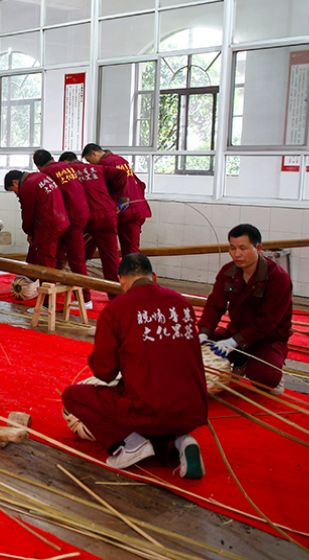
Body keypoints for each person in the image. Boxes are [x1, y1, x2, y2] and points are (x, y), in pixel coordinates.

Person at [62, 254, 208, 477]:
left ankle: (129, 444)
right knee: (161, 400)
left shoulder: (116, 310)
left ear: (121, 280)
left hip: (150, 410)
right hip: (193, 409)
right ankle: (181, 441)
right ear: (154, 277)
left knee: (74, 396)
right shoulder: (182, 303)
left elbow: (104, 371)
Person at [199, 224, 291, 393]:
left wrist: (234, 342)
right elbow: (214, 305)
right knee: (191, 346)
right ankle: (240, 361)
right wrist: (204, 332)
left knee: (266, 378)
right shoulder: (228, 271)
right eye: (232, 248)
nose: (237, 254)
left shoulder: (278, 278)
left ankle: (264, 366)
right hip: (235, 333)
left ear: (258, 248)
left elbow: (267, 322)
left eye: (243, 248)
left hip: (267, 338)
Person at [34, 149, 91, 304]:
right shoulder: (67, 167)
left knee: (74, 259)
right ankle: (55, 293)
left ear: (38, 167)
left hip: (69, 218)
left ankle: (84, 299)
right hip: (82, 213)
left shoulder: (46, 174)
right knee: (62, 257)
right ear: (52, 158)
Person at [58, 151, 120, 288]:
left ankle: (82, 293)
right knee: (111, 260)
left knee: (76, 256)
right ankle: (116, 294)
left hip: (87, 219)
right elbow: (121, 174)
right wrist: (118, 199)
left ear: (65, 163)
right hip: (108, 216)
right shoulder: (96, 168)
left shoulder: (68, 172)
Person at [82, 143, 152, 256]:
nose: (91, 165)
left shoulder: (105, 164)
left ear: (94, 154)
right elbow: (141, 184)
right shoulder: (120, 160)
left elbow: (101, 191)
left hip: (126, 212)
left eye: (89, 161)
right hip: (138, 208)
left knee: (127, 252)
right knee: (131, 249)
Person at [3, 169, 69, 269]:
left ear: (15, 182)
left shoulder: (27, 187)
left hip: (49, 225)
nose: (16, 194)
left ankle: (47, 278)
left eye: (13, 190)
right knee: (44, 255)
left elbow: (27, 213)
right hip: (62, 221)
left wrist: (29, 232)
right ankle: (33, 275)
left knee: (45, 259)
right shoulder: (39, 176)